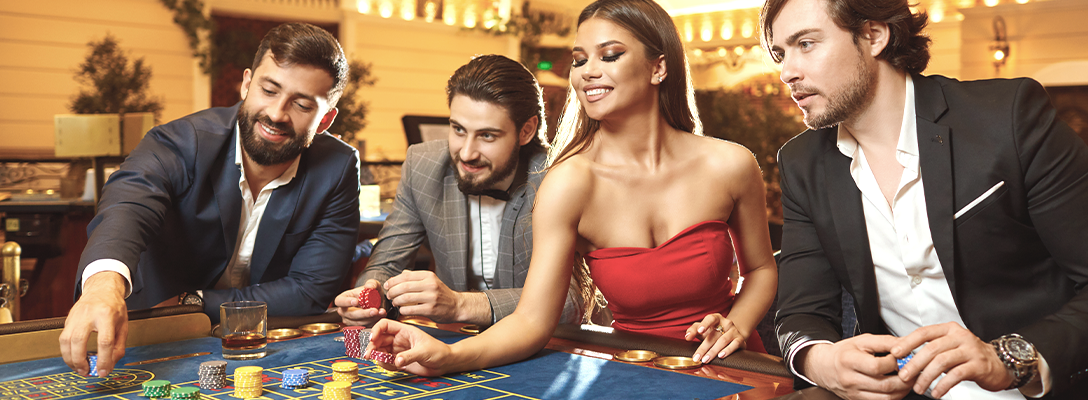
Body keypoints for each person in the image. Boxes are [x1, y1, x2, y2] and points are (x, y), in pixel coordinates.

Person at [362, 0, 778, 376]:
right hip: (636, 370)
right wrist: (451, 356)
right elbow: (532, 321)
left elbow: (761, 270)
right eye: (579, 60)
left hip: (732, 364)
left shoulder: (731, 163)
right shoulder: (568, 183)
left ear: (659, 67)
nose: (587, 72)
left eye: (610, 55)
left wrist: (736, 324)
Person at [762, 0, 1088, 398]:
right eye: (781, 53)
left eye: (806, 44)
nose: (786, 72)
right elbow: (801, 311)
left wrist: (1009, 358)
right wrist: (821, 361)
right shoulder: (801, 163)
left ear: (873, 35)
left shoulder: (1009, 118)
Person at [59, 23, 360, 378]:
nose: (277, 113)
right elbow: (128, 206)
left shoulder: (337, 167)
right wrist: (103, 285)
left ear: (324, 119)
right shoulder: (181, 141)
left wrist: (195, 303)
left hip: (266, 350)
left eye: (302, 104)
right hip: (155, 337)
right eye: (268, 90)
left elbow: (310, 289)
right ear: (247, 84)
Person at [334, 55, 580, 327]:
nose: (466, 153)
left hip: (546, 347)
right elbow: (386, 265)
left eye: (487, 136)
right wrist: (370, 296)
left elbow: (572, 300)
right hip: (454, 344)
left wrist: (460, 304)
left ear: (526, 131)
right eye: (458, 130)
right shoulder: (423, 165)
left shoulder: (556, 178)